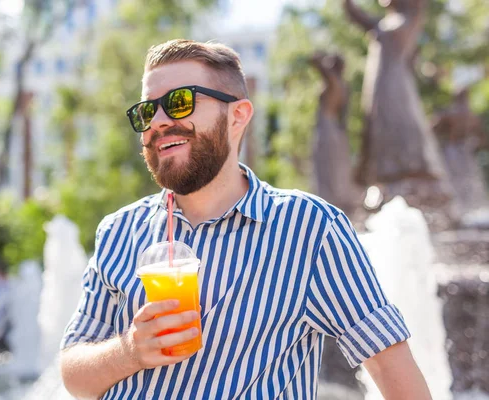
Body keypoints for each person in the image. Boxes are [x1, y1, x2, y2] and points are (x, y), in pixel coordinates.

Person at [59, 39, 432, 399]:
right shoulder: (118, 231)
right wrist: (129, 351)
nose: (157, 121)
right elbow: (74, 374)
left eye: (179, 102)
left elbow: (389, 366)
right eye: (146, 110)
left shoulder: (310, 229)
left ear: (237, 115)